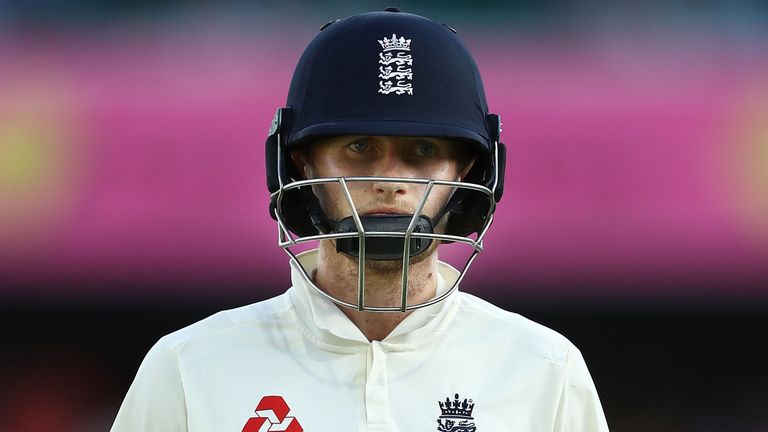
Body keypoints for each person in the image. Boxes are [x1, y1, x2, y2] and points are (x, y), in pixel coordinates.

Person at [111, 9, 609, 432]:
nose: (389, 180)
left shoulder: (545, 370)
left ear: (468, 173)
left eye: (422, 150)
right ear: (301, 164)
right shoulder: (187, 367)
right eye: (358, 147)